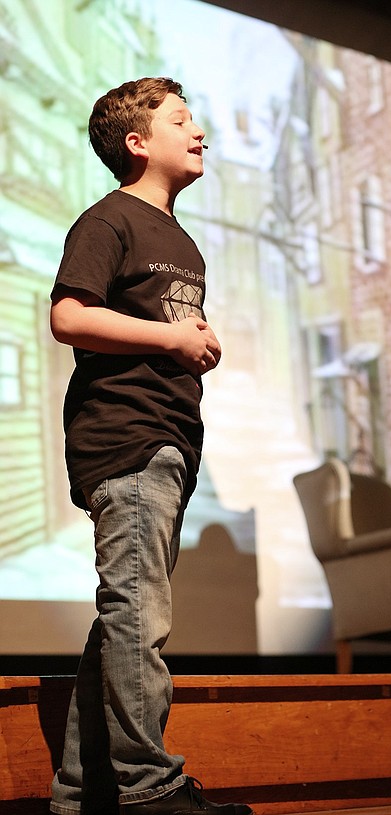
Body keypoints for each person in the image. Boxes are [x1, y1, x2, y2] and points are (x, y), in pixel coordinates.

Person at [49, 77, 253, 815]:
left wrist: (191, 338)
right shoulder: (109, 221)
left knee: (122, 621)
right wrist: (173, 335)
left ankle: (80, 797)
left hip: (168, 444)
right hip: (126, 436)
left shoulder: (182, 239)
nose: (200, 131)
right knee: (139, 615)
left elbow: (163, 324)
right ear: (138, 142)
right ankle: (148, 789)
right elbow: (70, 315)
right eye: (182, 119)